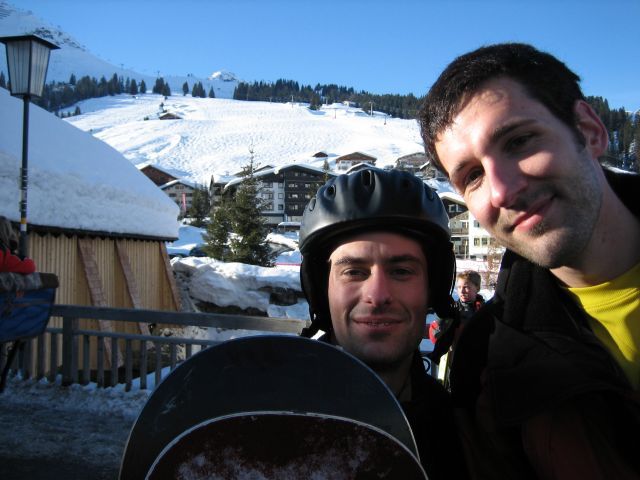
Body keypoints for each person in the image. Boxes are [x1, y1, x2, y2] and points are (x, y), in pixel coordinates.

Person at [419, 42, 640, 479]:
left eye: (518, 141)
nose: (502, 191)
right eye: (473, 176)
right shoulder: (486, 365)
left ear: (590, 131)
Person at [299, 167, 469, 480]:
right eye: (354, 272)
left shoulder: (464, 433)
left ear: (432, 289)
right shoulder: (265, 417)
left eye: (401, 271)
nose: (377, 296)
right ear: (321, 291)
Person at [429, 270, 485, 345]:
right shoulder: (452, 310)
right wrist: (440, 319)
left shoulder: (483, 311)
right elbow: (435, 338)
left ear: (477, 288)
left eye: (466, 287)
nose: (461, 291)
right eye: (459, 287)